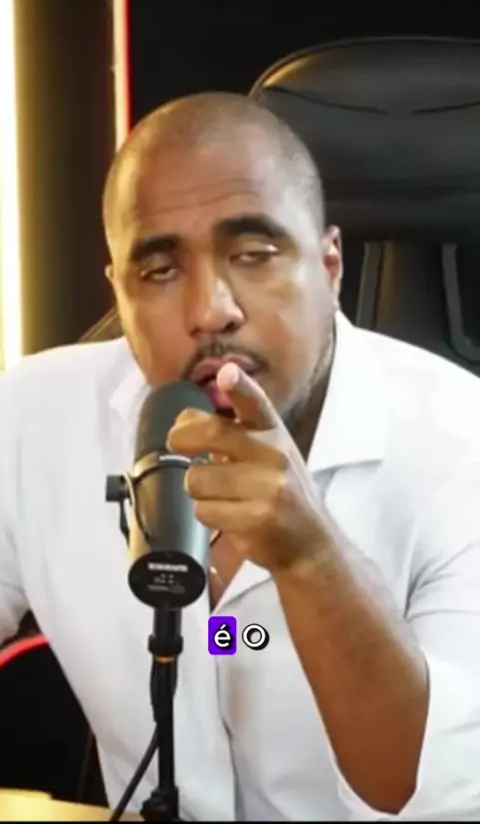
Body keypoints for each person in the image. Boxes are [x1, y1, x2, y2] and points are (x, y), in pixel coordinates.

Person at [1, 91, 480, 822]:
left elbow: (438, 794)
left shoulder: (462, 444)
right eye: (159, 271)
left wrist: (311, 556)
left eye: (254, 256)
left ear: (330, 265)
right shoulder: (31, 417)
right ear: (119, 294)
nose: (211, 310)